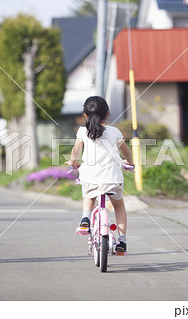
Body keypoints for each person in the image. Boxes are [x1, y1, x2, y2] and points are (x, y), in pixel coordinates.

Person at [68, 96, 134, 253]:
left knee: (89, 195)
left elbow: (75, 152)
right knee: (118, 205)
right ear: (108, 113)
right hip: (112, 178)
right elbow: (126, 152)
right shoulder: (115, 132)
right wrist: (130, 163)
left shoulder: (83, 131)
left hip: (90, 177)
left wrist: (73, 162)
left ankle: (85, 219)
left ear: (85, 115)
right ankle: (122, 242)